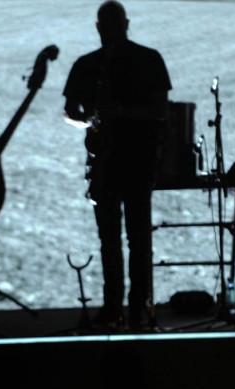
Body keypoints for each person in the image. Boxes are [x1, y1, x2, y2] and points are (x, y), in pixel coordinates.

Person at [62, 0, 171, 330]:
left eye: (115, 26)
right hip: (106, 161)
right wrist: (91, 118)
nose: (111, 32)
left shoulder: (147, 60)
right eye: (107, 27)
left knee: (132, 240)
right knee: (116, 240)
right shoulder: (89, 65)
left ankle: (134, 310)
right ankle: (118, 310)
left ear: (125, 25)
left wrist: (118, 111)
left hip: (134, 160)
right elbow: (69, 111)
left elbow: (160, 111)